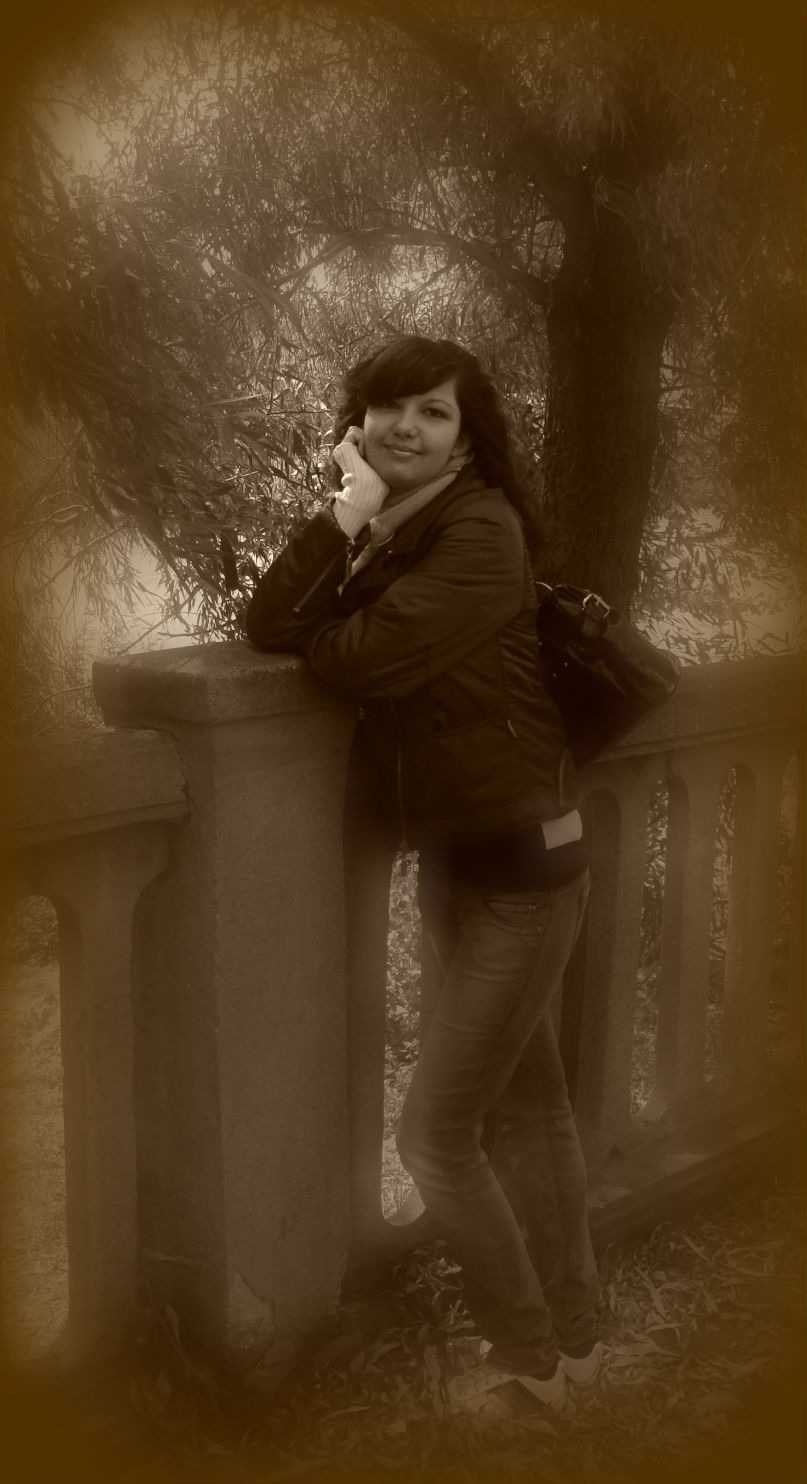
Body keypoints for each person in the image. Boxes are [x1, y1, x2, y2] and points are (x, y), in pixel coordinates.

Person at [244, 334, 601, 1415]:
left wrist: (346, 553)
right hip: (469, 860)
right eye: (388, 405)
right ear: (358, 421)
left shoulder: (480, 533)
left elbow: (352, 658)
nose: (406, 426)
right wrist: (345, 516)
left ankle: (531, 1357)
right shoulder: (400, 527)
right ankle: (578, 1345)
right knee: (529, 1111)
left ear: (466, 437)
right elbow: (271, 624)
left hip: (525, 871)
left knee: (435, 1138)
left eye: (433, 411)